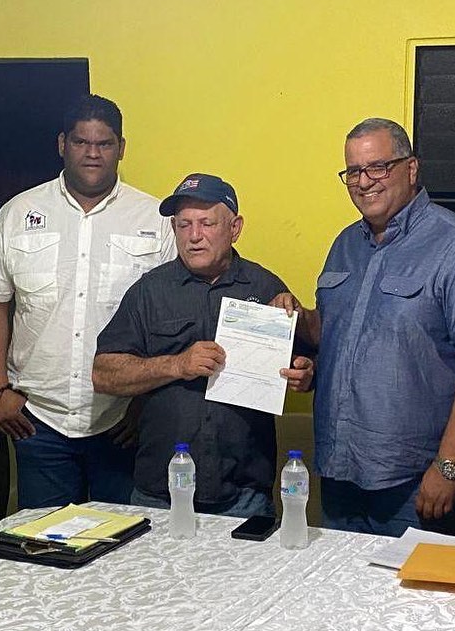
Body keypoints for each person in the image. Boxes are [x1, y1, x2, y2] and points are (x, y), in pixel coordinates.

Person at [276, 118, 455, 539]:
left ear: (411, 168)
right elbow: (337, 333)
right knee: (342, 583)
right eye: (353, 171)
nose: (364, 181)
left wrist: (448, 467)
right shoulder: (345, 244)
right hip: (341, 474)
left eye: (378, 167)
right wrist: (300, 320)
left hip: (419, 484)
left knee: (423, 586)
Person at [0, 94, 175, 509]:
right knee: (43, 538)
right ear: (62, 144)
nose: (92, 153)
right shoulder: (18, 213)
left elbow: (171, 318)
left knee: (124, 540)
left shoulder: (155, 219)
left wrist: (145, 405)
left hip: (122, 422)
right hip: (37, 420)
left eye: (104, 144)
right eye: (82, 142)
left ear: (121, 148)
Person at [92, 173, 313, 517]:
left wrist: (304, 373)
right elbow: (103, 374)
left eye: (207, 223)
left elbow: (306, 366)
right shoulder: (149, 291)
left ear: (235, 228)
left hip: (244, 496)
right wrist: (177, 364)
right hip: (159, 494)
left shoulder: (266, 288)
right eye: (184, 225)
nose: (194, 236)